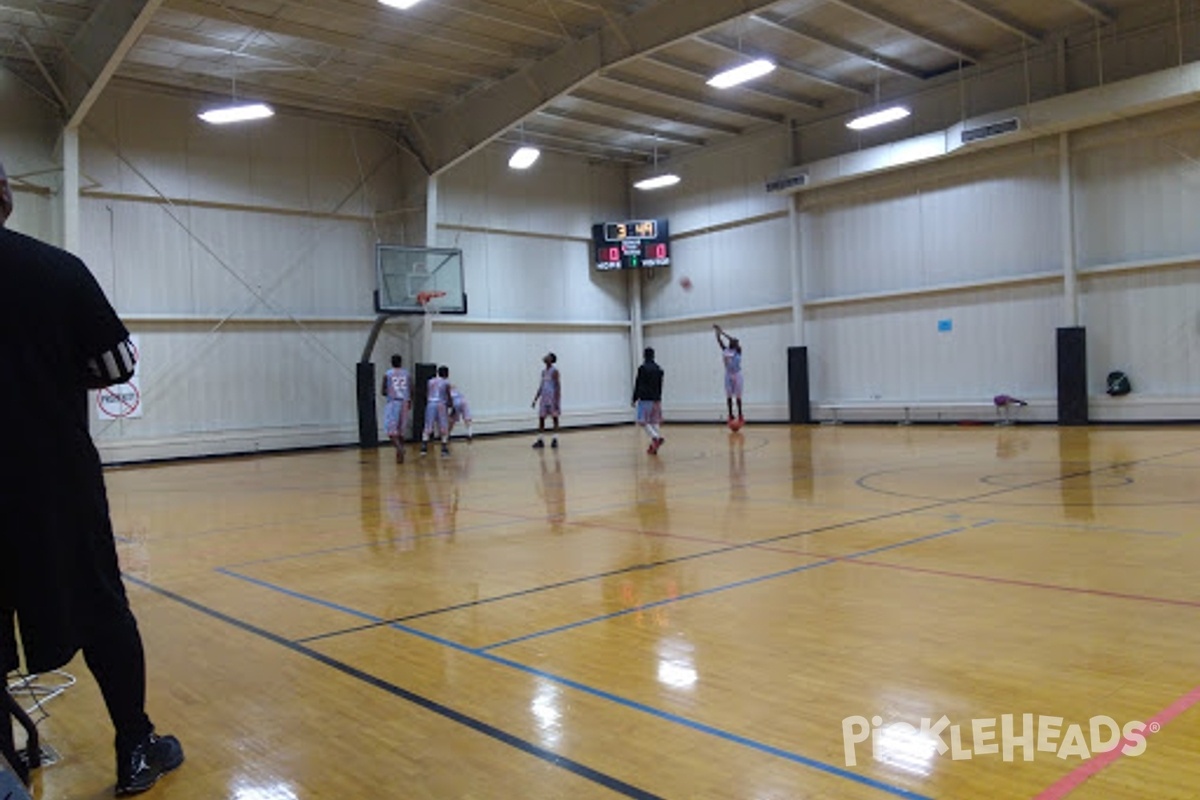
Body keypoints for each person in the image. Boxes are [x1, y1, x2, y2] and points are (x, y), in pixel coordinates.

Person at [0, 159, 184, 795]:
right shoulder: (55, 270)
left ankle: (6, 761)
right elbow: (116, 363)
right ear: (4, 195)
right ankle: (135, 744)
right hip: (51, 478)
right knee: (102, 606)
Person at [632, 347, 665, 454]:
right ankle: (654, 445)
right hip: (657, 399)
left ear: (644, 355)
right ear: (653, 355)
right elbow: (660, 386)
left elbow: (638, 384)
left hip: (645, 399)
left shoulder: (642, 368)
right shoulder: (659, 369)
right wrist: (658, 397)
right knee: (654, 421)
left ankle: (656, 437)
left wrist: (634, 398)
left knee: (643, 422)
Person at [381, 354, 411, 462]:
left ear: (391, 362)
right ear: (401, 362)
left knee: (391, 430)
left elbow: (383, 391)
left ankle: (399, 449)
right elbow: (411, 388)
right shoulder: (407, 374)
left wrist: (389, 391)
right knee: (401, 430)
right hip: (405, 402)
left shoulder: (388, 374)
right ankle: (399, 455)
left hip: (394, 402)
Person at [713, 324, 744, 423]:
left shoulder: (738, 350)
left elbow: (734, 340)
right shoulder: (725, 350)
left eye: (733, 341)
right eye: (731, 341)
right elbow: (719, 341)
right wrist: (718, 333)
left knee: (738, 396)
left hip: (737, 374)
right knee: (729, 396)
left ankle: (740, 414)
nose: (731, 341)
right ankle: (730, 414)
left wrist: (723, 333)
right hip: (728, 374)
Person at [531, 352, 561, 449]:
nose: (545, 357)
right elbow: (541, 386)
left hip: (552, 398)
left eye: (547, 356)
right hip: (544, 398)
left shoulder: (555, 371)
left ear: (551, 359)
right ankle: (540, 440)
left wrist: (557, 401)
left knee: (555, 419)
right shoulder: (543, 372)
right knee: (541, 419)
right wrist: (535, 399)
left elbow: (558, 386)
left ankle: (555, 439)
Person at [421, 365, 452, 457]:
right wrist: (450, 403)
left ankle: (424, 446)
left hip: (430, 404)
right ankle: (444, 448)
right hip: (441, 404)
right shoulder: (446, 382)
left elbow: (427, 393)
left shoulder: (430, 381)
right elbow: (448, 394)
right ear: (446, 373)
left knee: (428, 424)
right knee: (443, 426)